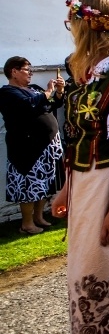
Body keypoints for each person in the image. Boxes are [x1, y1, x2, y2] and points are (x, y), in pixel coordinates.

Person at [50, 0, 109, 334]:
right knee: (85, 269)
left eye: (72, 24)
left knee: (105, 266)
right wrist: (67, 187)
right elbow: (81, 137)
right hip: (84, 184)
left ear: (86, 25)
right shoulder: (91, 72)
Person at [0, 57, 65, 234]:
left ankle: (39, 217)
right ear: (14, 71)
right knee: (28, 185)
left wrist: (58, 93)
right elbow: (27, 107)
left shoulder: (33, 89)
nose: (31, 73)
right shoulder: (7, 93)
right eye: (27, 70)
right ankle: (27, 224)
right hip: (26, 148)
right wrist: (48, 92)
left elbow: (51, 105)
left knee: (44, 183)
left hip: (47, 146)